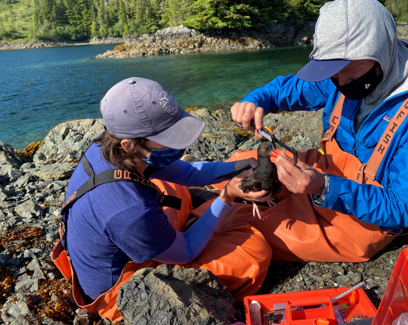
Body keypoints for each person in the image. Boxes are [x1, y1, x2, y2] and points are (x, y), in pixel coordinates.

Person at [229, 0, 408, 263]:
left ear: (381, 50)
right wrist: (255, 100)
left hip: (369, 213)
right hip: (324, 170)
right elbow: (289, 89)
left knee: (246, 233)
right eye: (333, 72)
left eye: (351, 70)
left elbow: (403, 209)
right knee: (235, 168)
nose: (341, 81)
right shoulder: (340, 73)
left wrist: (323, 186)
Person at [51, 77, 272, 321]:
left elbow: (187, 173)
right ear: (129, 145)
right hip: (124, 291)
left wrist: (239, 166)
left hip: (120, 233)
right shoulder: (129, 210)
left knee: (172, 185)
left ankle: (174, 233)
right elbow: (186, 252)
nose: (178, 146)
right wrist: (227, 195)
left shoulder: (107, 149)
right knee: (254, 252)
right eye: (168, 138)